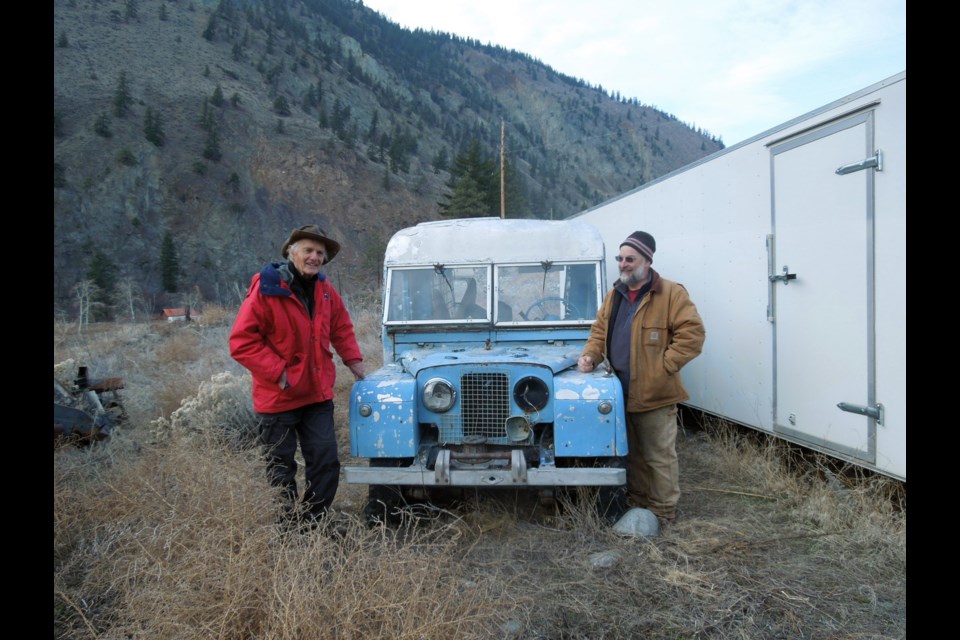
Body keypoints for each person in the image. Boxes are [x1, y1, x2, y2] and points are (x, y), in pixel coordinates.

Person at [230, 224, 365, 527]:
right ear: (292, 253)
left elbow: (341, 327)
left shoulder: (325, 290)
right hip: (278, 398)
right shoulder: (268, 288)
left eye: (320, 252)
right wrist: (277, 372)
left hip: (316, 394)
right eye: (308, 250)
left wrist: (353, 360)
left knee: (326, 462)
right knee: (281, 468)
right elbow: (241, 342)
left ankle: (312, 523)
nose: (315, 257)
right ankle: (287, 527)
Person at [578, 231, 705, 525]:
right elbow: (598, 333)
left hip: (655, 393)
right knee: (631, 452)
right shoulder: (615, 295)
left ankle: (663, 512)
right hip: (619, 391)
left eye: (630, 259)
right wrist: (590, 356)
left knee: (659, 455)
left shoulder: (671, 294)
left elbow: (693, 335)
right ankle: (637, 503)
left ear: (647, 261)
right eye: (620, 258)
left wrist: (663, 368)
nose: (623, 264)